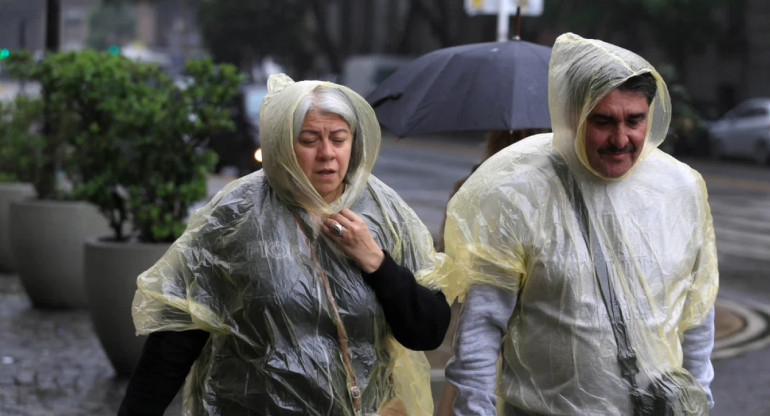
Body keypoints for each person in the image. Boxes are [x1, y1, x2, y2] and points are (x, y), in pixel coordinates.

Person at [118, 74, 454, 416]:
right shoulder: (235, 213)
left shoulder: (385, 211)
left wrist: (376, 262)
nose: (327, 154)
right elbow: (178, 335)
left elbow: (428, 332)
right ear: (282, 144)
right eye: (309, 140)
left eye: (339, 139)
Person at [443, 33, 718, 415]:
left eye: (635, 120)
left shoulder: (681, 189)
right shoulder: (519, 194)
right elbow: (481, 326)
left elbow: (697, 311)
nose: (621, 138)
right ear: (573, 116)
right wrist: (474, 409)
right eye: (603, 121)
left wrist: (699, 397)